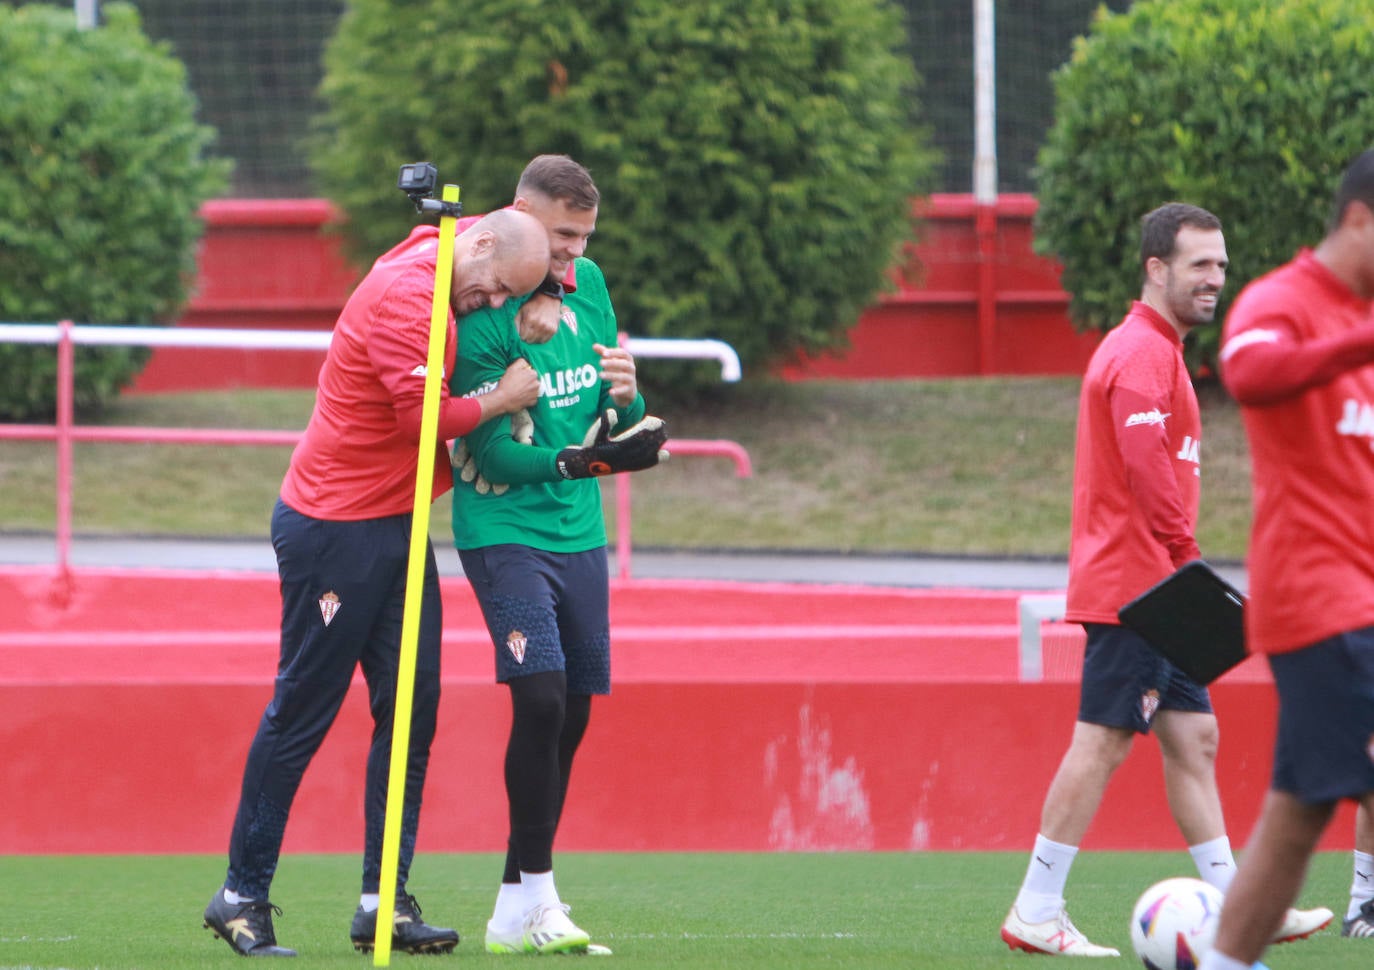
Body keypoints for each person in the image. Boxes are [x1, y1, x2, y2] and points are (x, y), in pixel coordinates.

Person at [201, 208, 552, 957]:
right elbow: (421, 420)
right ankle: (239, 894)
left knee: (412, 715)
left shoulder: (451, 255)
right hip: (334, 528)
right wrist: (500, 400)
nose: (492, 304)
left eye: (505, 299)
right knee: (303, 710)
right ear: (480, 244)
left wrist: (549, 286)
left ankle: (382, 903)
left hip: (394, 524)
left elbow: (530, 240)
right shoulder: (407, 292)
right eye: (493, 291)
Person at [999, 203, 1333, 957]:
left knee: (1196, 738)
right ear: (1157, 270)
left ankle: (1248, 903)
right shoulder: (1144, 353)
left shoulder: (1158, 350)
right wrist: (1185, 555)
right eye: (1199, 265)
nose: (1216, 277)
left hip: (1157, 580)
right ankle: (1036, 907)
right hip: (1141, 584)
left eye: (1220, 263)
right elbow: (1145, 463)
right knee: (1105, 740)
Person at [448, 155, 667, 957]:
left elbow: (614, 412)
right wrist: (577, 464)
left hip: (580, 533)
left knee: (572, 710)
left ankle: (516, 904)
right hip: (505, 531)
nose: (573, 253)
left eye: (583, 238)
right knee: (538, 700)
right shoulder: (479, 316)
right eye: (560, 236)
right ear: (519, 215)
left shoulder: (591, 286)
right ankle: (540, 897)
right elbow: (494, 459)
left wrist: (630, 399)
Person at [1197, 149, 1374, 969]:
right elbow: (1251, 370)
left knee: (1301, 808)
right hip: (1324, 601)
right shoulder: (1285, 301)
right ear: (1359, 218)